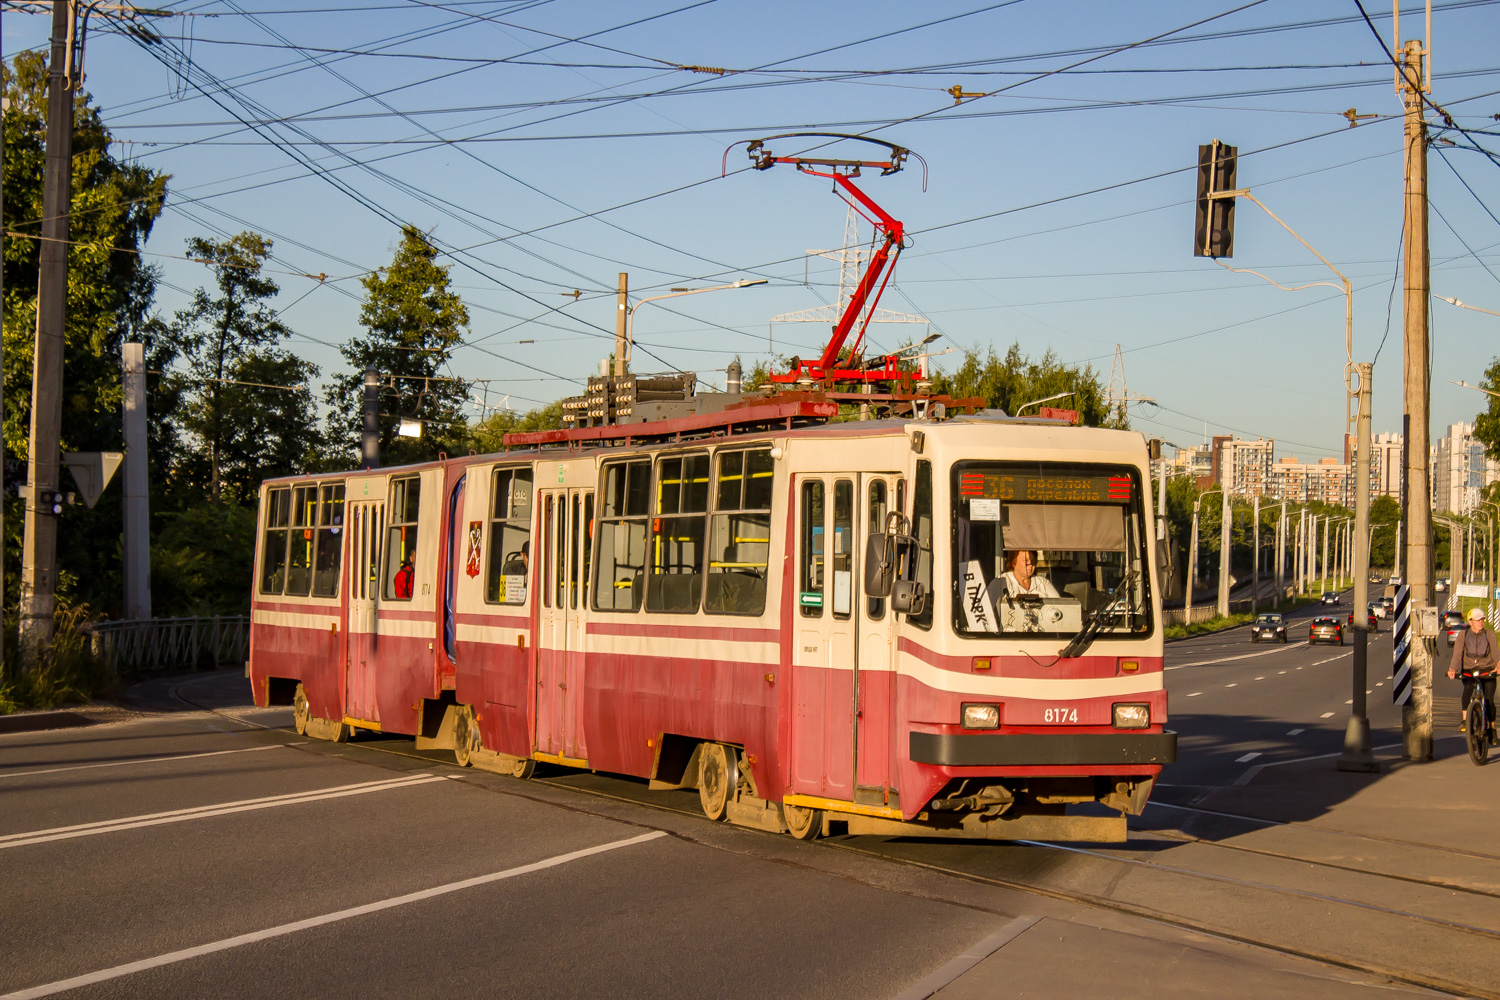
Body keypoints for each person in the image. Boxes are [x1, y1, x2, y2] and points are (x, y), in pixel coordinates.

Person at [1447, 606, 1497, 735]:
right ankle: (1465, 720)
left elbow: (1496, 653)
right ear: (1470, 622)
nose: (1480, 622)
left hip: (1487, 670)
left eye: (1482, 620)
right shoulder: (1463, 635)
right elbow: (1458, 654)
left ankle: (1492, 727)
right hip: (1469, 670)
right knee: (1468, 688)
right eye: (1477, 620)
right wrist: (1453, 668)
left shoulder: (1489, 634)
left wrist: (1498, 665)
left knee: (1489, 700)